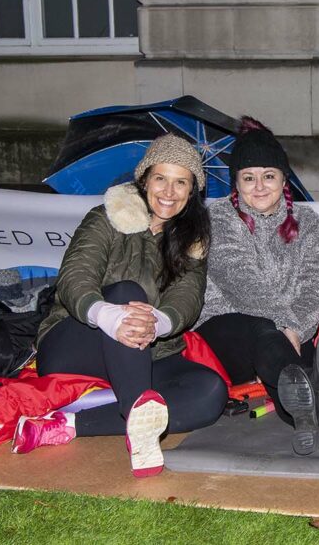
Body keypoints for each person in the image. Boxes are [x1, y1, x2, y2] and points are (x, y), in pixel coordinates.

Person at [14, 134, 227, 478]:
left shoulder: (193, 240)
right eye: (161, 178)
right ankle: (138, 423)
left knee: (210, 392)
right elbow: (75, 275)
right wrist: (108, 314)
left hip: (149, 349)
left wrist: (159, 322)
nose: (169, 192)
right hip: (79, 341)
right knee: (126, 292)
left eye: (181, 182)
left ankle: (67, 425)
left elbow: (188, 296)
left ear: (193, 191)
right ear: (144, 180)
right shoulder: (106, 218)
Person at [193, 117, 319, 456]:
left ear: (284, 180)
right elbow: (242, 282)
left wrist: (297, 328)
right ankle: (314, 394)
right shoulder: (219, 219)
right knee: (262, 330)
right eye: (248, 178)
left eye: (268, 176)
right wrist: (286, 325)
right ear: (236, 183)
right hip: (225, 328)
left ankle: (305, 410)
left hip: (286, 334)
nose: (259, 186)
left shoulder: (309, 223)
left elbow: (317, 284)